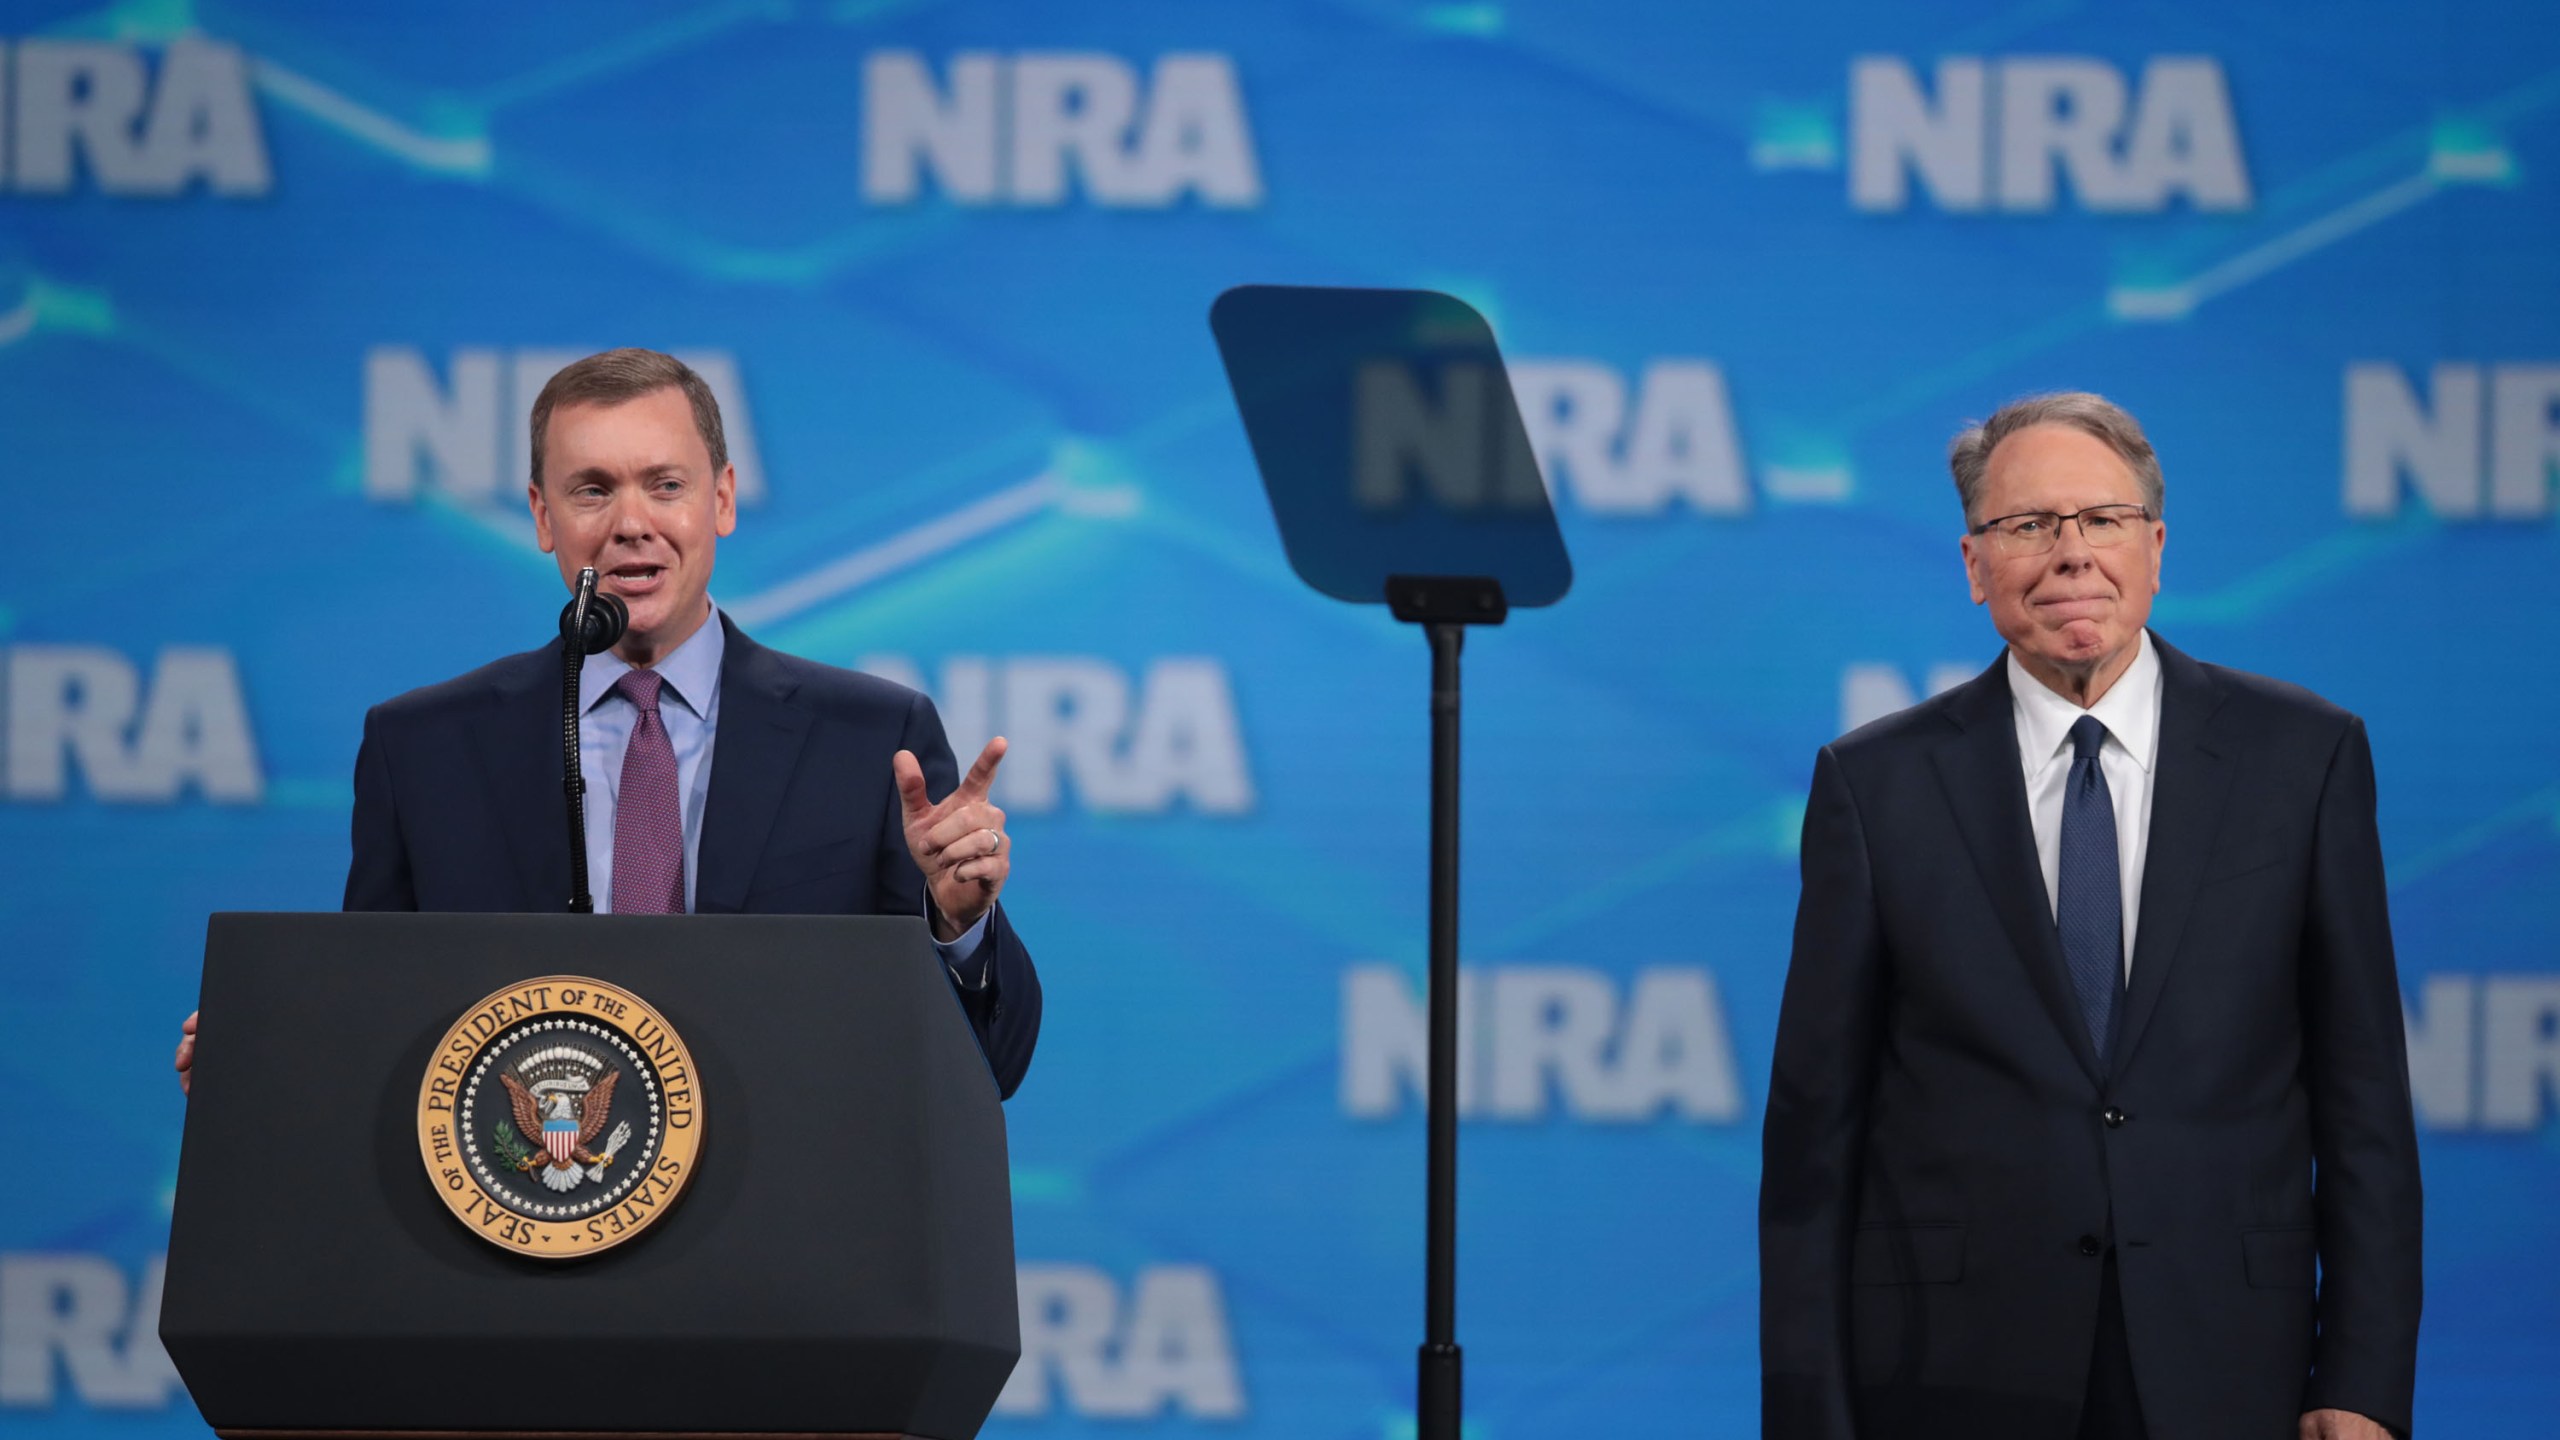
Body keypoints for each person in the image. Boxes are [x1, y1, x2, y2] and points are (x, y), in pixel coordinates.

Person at [1759, 393, 2420, 1440]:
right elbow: (1812, 1148)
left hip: (2227, 1368)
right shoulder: (1873, 785)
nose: (2070, 555)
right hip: (1949, 1377)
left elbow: (2364, 1106)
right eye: (2027, 527)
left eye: (2100, 521)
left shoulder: (2304, 758)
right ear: (1974, 566)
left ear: (2155, 548)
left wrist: (2360, 1380)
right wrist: (1809, 1415)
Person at [178, 348, 1039, 1096]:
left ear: (723, 501)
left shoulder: (869, 739)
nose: (632, 525)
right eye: (592, 490)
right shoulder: (426, 749)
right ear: (544, 517)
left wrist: (958, 926)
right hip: (522, 1240)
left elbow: (986, 1069)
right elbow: (374, 1022)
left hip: (784, 1250)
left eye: (666, 485)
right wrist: (264, 1057)